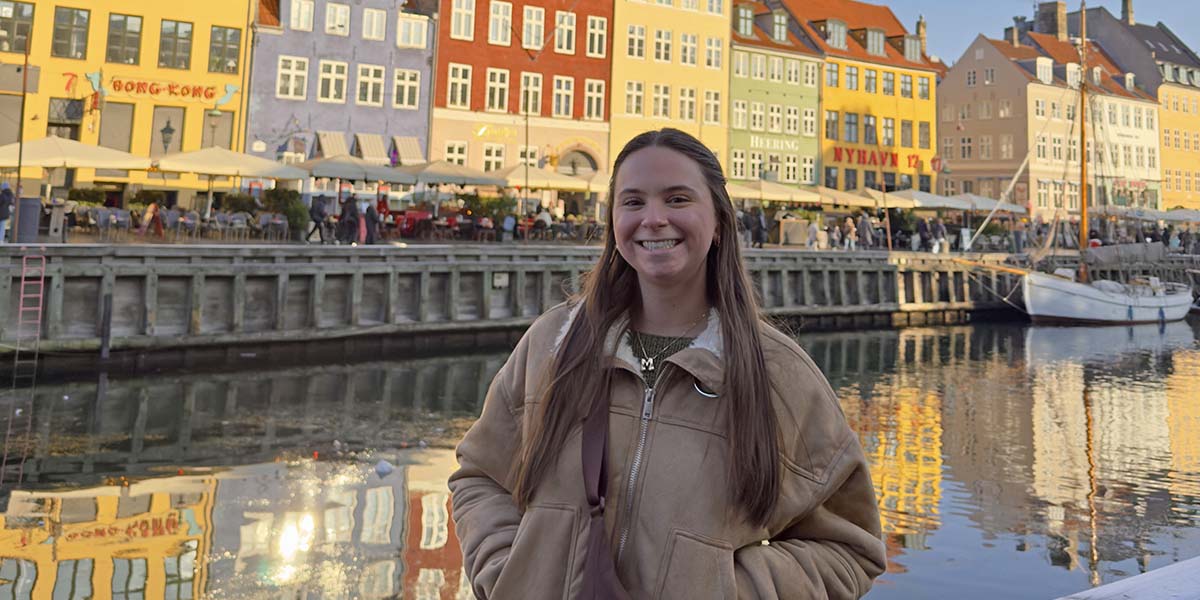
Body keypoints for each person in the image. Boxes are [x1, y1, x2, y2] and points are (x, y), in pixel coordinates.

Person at [449, 128, 886, 599]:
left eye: (677, 199)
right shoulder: (552, 345)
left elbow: (850, 547)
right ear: (613, 221)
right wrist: (510, 574)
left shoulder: (776, 373)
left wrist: (730, 590)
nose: (653, 219)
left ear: (718, 223)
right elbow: (481, 475)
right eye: (633, 202)